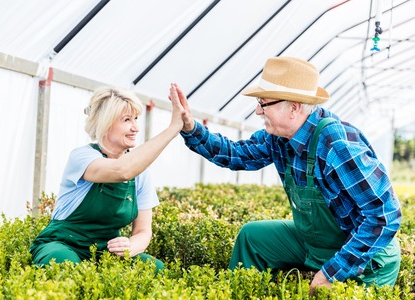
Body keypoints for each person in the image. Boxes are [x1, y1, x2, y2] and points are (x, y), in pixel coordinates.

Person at [169, 56, 402, 293]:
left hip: (368, 257)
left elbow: (384, 215)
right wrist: (190, 128)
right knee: (252, 237)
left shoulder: (336, 143)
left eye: (263, 103)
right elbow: (236, 154)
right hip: (320, 243)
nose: (258, 110)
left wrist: (333, 272)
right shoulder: (279, 138)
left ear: (293, 107)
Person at [30, 84, 184, 273]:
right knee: (65, 267)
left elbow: (143, 230)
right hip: (63, 244)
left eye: (136, 119)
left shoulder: (140, 172)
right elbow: (121, 171)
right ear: (105, 123)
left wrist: (131, 247)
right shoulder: (82, 157)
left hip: (107, 252)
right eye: (127, 120)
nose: (135, 127)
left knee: (156, 269)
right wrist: (173, 129)